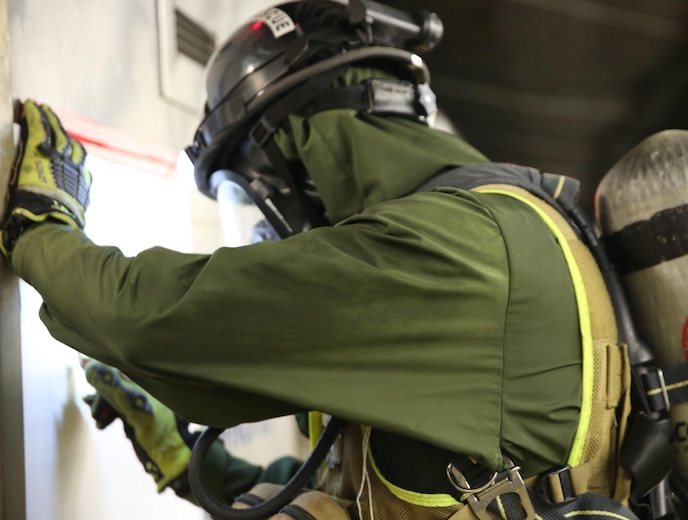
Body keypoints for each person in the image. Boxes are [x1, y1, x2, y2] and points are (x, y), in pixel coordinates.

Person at [0, 1, 637, 519]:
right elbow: (364, 491)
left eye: (253, 185)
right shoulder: (505, 218)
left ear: (301, 153)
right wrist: (193, 461)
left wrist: (41, 228)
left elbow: (149, 320)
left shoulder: (456, 249)